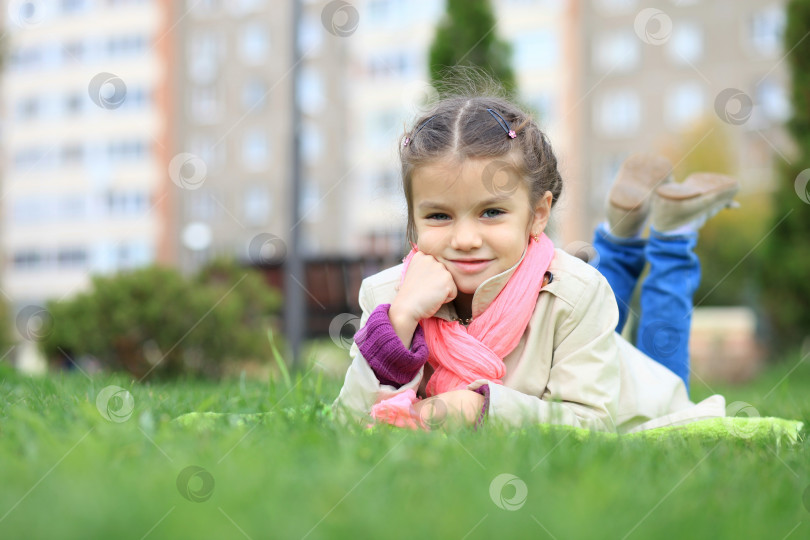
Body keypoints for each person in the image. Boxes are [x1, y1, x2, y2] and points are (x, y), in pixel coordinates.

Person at [332, 91, 736, 433]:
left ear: (538, 214)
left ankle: (671, 236)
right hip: (585, 326)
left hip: (646, 397)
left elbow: (589, 422)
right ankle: (625, 234)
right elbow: (351, 423)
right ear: (413, 222)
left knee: (661, 355)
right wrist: (398, 321)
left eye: (491, 212)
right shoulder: (387, 296)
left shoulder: (576, 292)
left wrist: (481, 409)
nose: (466, 240)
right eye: (439, 215)